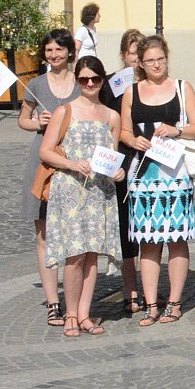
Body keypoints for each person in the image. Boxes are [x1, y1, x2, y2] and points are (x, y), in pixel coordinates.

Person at [119, 36, 195, 326]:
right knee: (148, 241)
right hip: (143, 176)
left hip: (174, 174)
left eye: (160, 59)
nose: (156, 65)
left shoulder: (182, 87)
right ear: (140, 64)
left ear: (166, 58)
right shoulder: (132, 91)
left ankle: (175, 302)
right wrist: (135, 141)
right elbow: (123, 131)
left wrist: (177, 130)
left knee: (177, 240)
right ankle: (151, 304)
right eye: (149, 60)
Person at [39, 55, 124, 337]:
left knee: (91, 255)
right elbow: (46, 151)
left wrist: (117, 172)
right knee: (74, 256)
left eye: (95, 79)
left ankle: (86, 314)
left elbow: (111, 157)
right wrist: (72, 164)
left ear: (102, 81)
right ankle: (71, 314)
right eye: (84, 79)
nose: (89, 84)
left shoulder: (112, 116)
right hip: (70, 191)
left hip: (99, 192)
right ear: (77, 81)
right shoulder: (65, 111)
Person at [19, 27, 76, 327]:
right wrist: (35, 121)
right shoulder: (37, 85)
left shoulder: (82, 83)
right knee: (44, 235)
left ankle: (75, 299)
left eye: (59, 49)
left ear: (69, 51)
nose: (54, 55)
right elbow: (22, 120)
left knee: (71, 234)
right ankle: (54, 303)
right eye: (49, 50)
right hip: (43, 164)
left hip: (72, 164)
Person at [108, 28, 146, 315]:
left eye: (140, 55)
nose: (136, 60)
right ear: (124, 55)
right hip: (123, 161)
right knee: (126, 231)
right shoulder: (112, 85)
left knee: (146, 229)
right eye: (132, 54)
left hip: (149, 161)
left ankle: (149, 287)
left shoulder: (152, 83)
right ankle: (130, 288)